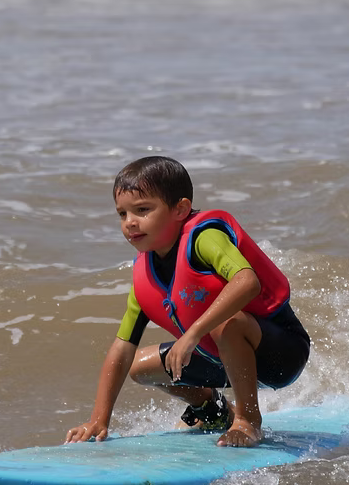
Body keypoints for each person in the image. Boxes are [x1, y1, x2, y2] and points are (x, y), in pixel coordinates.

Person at [65, 156, 311, 448]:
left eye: (142, 210)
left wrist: (191, 335)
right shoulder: (146, 271)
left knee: (226, 324)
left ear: (180, 209)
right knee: (141, 367)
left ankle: (247, 422)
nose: (130, 222)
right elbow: (123, 347)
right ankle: (214, 411)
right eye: (122, 214)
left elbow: (248, 282)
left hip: (280, 354)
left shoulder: (203, 239)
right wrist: (98, 419)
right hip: (223, 360)